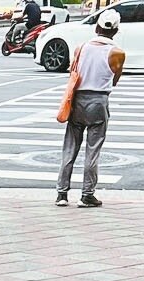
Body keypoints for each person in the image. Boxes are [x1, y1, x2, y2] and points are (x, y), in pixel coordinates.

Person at [57, 6, 125, 207]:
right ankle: (87, 195)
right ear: (115, 30)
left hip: (77, 100)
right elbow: (114, 80)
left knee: (70, 148)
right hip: (98, 101)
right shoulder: (117, 53)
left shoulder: (81, 48)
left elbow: (73, 72)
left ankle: (62, 194)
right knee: (93, 150)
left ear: (96, 27)